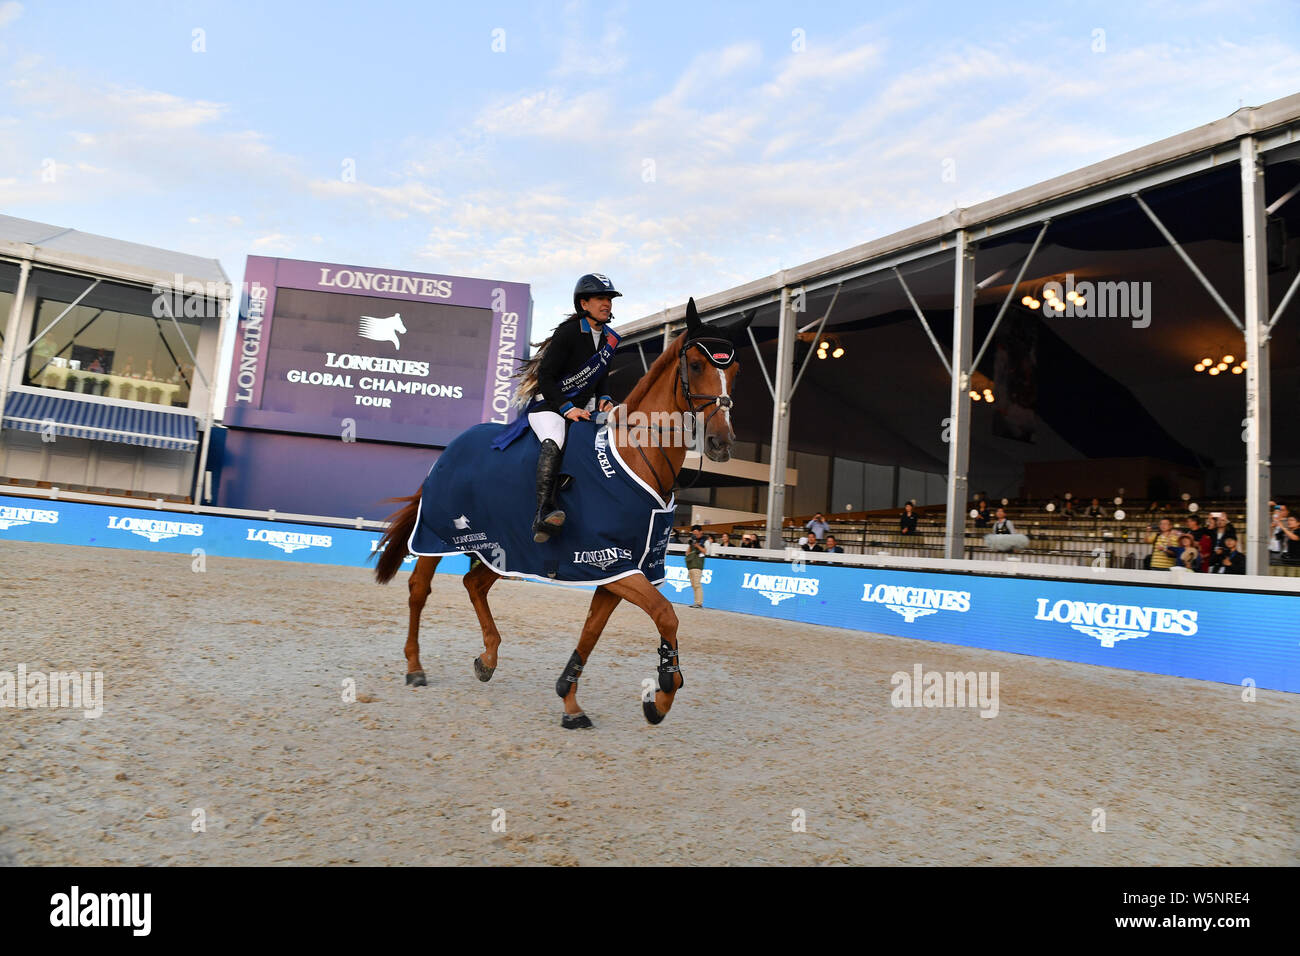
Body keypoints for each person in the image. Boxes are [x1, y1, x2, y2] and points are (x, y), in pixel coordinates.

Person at [502, 273, 622, 542]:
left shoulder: (609, 340)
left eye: (609, 299)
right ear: (584, 304)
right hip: (549, 404)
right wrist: (566, 408)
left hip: (582, 407)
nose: (607, 304)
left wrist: (605, 398)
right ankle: (543, 511)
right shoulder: (568, 332)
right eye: (601, 298)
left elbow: (601, 378)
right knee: (554, 437)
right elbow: (545, 376)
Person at [684, 525, 708, 608]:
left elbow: (705, 552)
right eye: (693, 533)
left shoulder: (705, 541)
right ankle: (696, 602)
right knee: (694, 585)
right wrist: (692, 545)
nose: (695, 535)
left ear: (701, 532)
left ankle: (699, 603)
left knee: (697, 584)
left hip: (698, 565)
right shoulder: (692, 541)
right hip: (691, 565)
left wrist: (697, 546)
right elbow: (687, 553)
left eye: (696, 533)